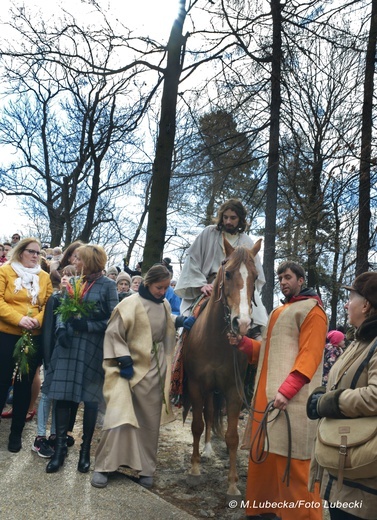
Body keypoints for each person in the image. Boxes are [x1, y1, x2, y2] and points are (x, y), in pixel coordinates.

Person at [228, 261, 328, 520]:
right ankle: (264, 511)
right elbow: (269, 354)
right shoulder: (278, 311)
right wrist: (244, 343)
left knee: (294, 465)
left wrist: (286, 390)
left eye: (288, 277)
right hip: (267, 399)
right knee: (265, 458)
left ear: (301, 280)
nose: (283, 282)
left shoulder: (313, 311)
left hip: (290, 401)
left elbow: (310, 356)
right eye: (281, 278)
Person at [91, 264, 178, 489]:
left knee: (149, 421)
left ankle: (145, 468)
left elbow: (164, 329)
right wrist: (124, 359)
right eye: (160, 287)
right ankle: (104, 466)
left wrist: (180, 322)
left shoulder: (166, 305)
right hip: (125, 369)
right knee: (118, 417)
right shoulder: (128, 304)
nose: (163, 291)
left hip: (153, 369)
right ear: (148, 283)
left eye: (167, 287)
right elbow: (113, 333)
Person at [43, 244, 119, 473]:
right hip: (68, 348)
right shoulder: (75, 282)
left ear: (89, 261)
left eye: (78, 258)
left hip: (92, 348)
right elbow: (63, 311)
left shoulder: (108, 286)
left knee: (90, 400)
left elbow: (115, 320)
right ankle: (59, 451)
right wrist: (62, 330)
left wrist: (88, 325)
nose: (74, 261)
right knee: (63, 398)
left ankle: (85, 452)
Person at [307, 272, 377, 520]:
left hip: (364, 481)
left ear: (366, 304)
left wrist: (329, 402)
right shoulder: (361, 340)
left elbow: (375, 396)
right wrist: (322, 394)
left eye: (351, 298)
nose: (347, 304)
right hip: (347, 473)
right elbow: (344, 382)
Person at [174, 198, 268, 328]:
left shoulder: (247, 241)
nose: (228, 221)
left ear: (240, 219)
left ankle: (257, 336)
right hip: (208, 286)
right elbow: (192, 261)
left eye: (233, 218)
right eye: (225, 217)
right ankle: (182, 342)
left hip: (236, 287)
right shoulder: (209, 232)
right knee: (189, 323)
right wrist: (200, 285)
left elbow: (254, 274)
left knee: (259, 321)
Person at [0, 237, 53, 452]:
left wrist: (38, 321)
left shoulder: (45, 277)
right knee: (2, 381)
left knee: (23, 385)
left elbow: (48, 304)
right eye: (31, 251)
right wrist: (18, 319)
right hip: (7, 334)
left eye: (38, 253)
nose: (34, 256)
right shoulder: (5, 271)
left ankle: (16, 433)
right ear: (20, 252)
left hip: (33, 336)